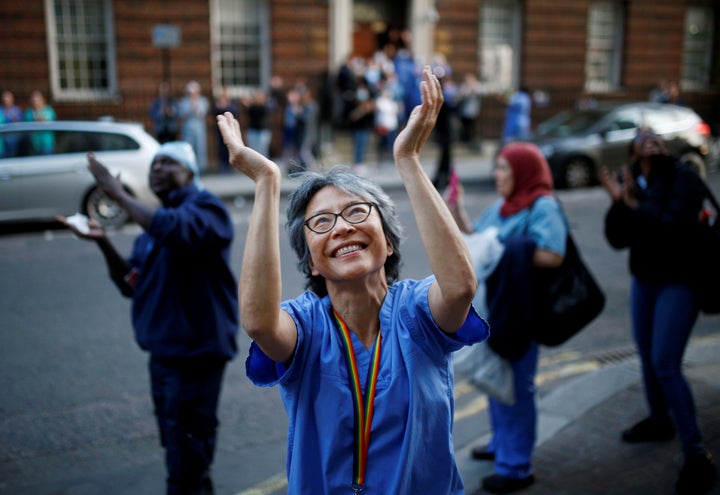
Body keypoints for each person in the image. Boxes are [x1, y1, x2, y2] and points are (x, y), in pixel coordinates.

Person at [216, 65, 489, 494]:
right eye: (321, 222)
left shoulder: (417, 312)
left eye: (357, 212)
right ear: (310, 263)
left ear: (390, 242)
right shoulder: (304, 327)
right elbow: (259, 322)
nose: (341, 227)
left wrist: (408, 160)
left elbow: (459, 287)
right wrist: (268, 182)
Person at [56, 141, 239, 495]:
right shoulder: (152, 227)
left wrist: (119, 196)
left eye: (167, 163)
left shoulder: (207, 209)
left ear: (190, 171)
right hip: (163, 357)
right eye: (154, 164)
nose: (157, 169)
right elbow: (131, 283)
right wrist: (102, 241)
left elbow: (177, 229)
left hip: (195, 357)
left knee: (187, 458)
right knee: (178, 447)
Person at [599, 129, 717, 495]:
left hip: (680, 282)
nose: (648, 138)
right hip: (645, 281)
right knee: (647, 357)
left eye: (654, 136)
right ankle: (658, 419)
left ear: (662, 147)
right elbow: (618, 239)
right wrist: (619, 201)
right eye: (641, 137)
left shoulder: (684, 176)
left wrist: (633, 204)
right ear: (634, 154)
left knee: (666, 363)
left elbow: (673, 228)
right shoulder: (635, 181)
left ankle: (696, 454)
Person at [447, 142, 567, 494]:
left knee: (518, 388)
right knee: (500, 378)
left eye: (504, 169)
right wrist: (457, 209)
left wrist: (508, 249)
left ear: (523, 172)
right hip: (500, 306)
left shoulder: (543, 206)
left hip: (523, 311)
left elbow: (553, 254)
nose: (497, 175)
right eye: (497, 168)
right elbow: (478, 239)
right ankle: (502, 444)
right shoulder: (503, 205)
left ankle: (517, 468)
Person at [178, 81, 209, 172]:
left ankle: (201, 168)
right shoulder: (184, 101)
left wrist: (194, 104)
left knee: (200, 148)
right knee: (188, 148)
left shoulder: (203, 100)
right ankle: (189, 167)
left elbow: (201, 114)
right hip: (187, 128)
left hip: (199, 128)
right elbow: (182, 114)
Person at [212, 88, 239, 173]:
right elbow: (215, 112)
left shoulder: (232, 104)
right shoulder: (217, 104)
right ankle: (223, 166)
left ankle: (232, 165)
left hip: (231, 130)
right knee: (221, 149)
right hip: (220, 131)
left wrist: (224, 107)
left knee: (231, 147)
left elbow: (235, 112)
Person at [24, 89, 56, 154]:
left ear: (42, 100)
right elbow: (27, 124)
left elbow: (50, 121)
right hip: (34, 143)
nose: (35, 101)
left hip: (47, 143)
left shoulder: (48, 110)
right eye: (33, 99)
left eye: (37, 99)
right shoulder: (29, 112)